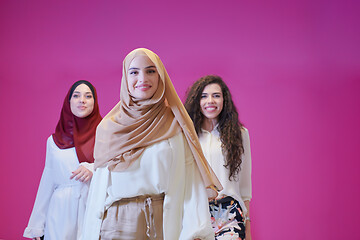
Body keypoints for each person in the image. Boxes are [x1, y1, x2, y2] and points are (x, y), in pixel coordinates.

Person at [81, 48, 222, 240]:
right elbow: (98, 190)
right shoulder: (108, 127)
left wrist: (195, 230)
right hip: (113, 225)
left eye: (150, 71)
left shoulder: (174, 123)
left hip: (160, 223)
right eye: (134, 72)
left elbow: (190, 181)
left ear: (160, 76)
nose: (142, 79)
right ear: (125, 77)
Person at [23, 80, 102, 240]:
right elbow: (48, 181)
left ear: (94, 102)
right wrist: (37, 226)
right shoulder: (53, 142)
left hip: (93, 207)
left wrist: (93, 168)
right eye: (76, 96)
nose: (82, 100)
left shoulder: (105, 135)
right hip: (60, 213)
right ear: (69, 101)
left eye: (88, 96)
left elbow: (117, 168)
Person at [184, 75, 252, 240]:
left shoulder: (240, 134)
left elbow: (244, 186)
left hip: (229, 213)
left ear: (224, 100)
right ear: (197, 101)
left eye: (216, 95)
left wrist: (247, 225)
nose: (210, 101)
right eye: (204, 96)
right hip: (195, 212)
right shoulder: (187, 136)